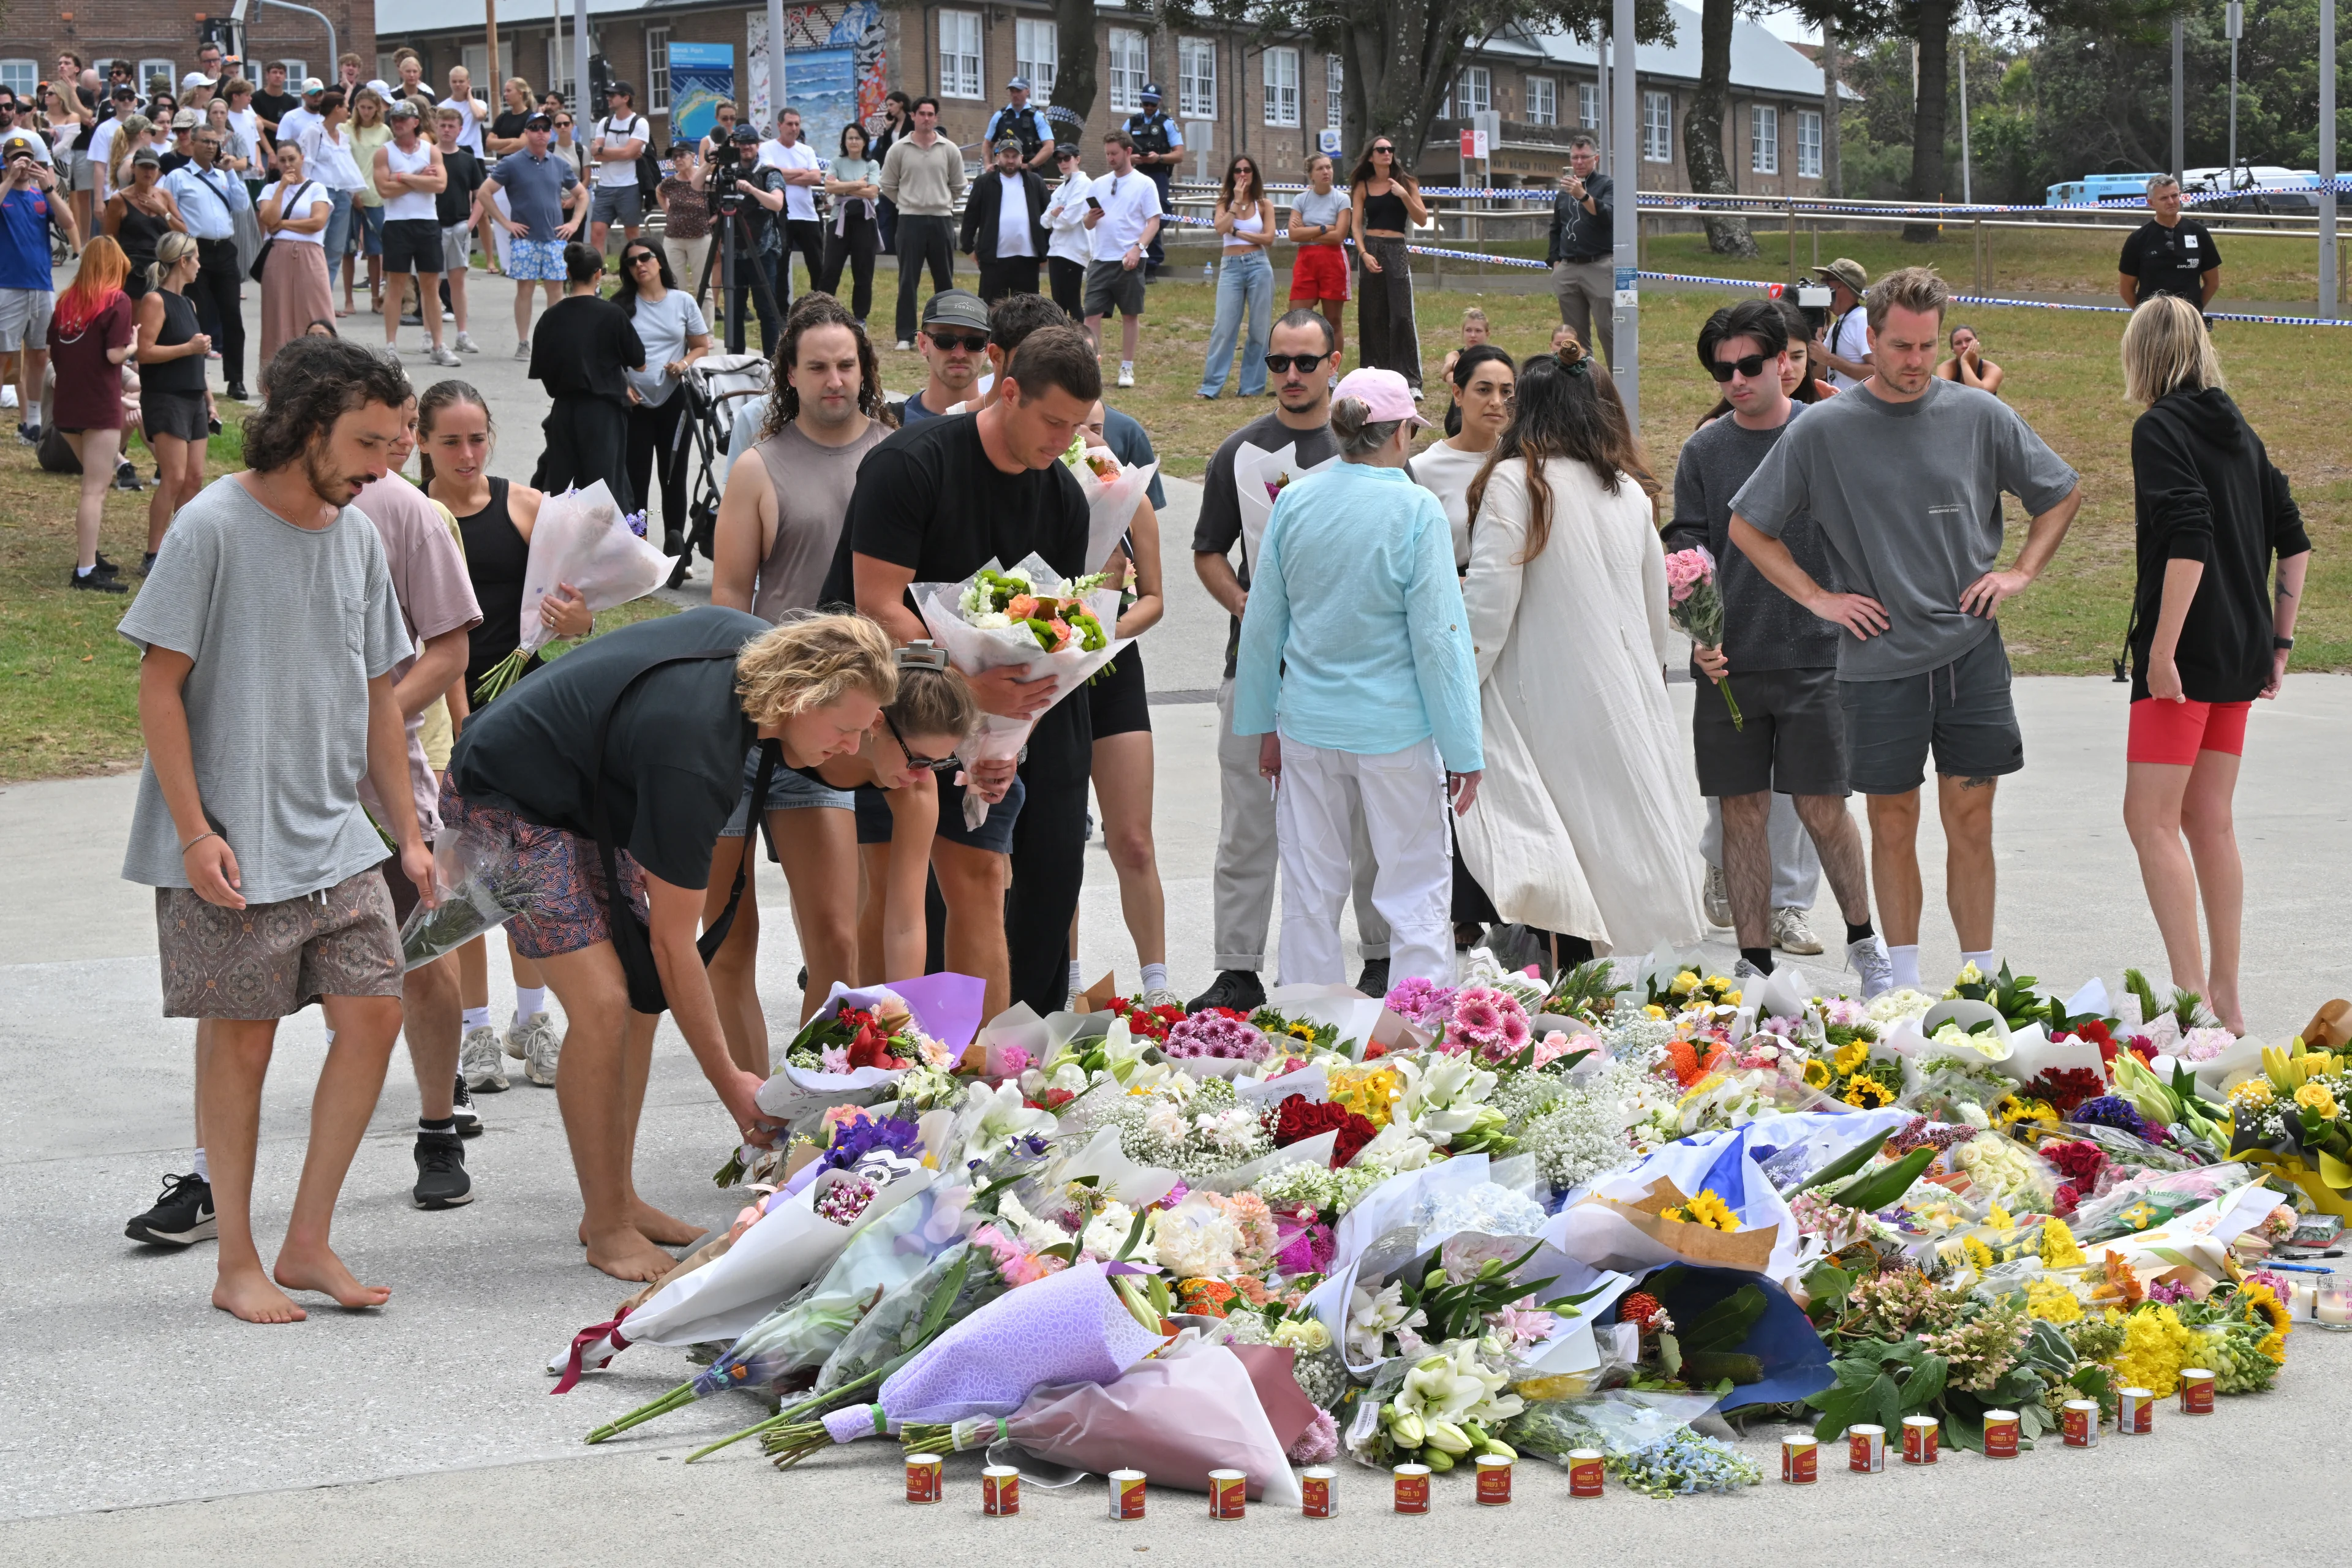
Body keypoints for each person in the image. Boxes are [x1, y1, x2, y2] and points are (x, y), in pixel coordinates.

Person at [119, 336, 429, 1322]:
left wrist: (407, 832)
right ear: (305, 427)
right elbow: (158, 688)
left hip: (336, 833)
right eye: (367, 443)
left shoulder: (359, 536)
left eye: (390, 443)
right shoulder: (210, 526)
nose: (382, 464)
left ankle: (306, 1242)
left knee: (374, 1014)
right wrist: (193, 831)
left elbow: (380, 698)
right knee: (243, 1046)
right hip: (232, 839)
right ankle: (236, 1264)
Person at [443, 609, 894, 1280]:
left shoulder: (762, 658)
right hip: (503, 794)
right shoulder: (697, 751)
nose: (852, 746)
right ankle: (606, 1228)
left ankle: (617, 1199)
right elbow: (673, 946)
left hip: (585, 793)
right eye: (844, 729)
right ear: (799, 699)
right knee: (602, 1003)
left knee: (640, 1001)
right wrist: (731, 1083)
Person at [1729, 266, 2084, 988]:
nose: (1915, 360)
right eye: (1900, 346)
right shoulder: (1823, 429)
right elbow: (1748, 527)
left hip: (1970, 653)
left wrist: (2019, 573)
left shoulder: (1980, 415)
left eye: (1927, 346)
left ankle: (1981, 985)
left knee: (1972, 820)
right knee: (1892, 822)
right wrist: (1820, 599)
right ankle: (1904, 987)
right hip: (1877, 661)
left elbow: (2061, 492)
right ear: (1871, 340)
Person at [829, 324, 1102, 1019]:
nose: (1064, 440)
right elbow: (877, 608)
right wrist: (964, 689)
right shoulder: (910, 464)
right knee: (889, 885)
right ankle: (878, 1055)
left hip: (981, 715)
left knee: (982, 877)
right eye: (1052, 421)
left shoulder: (1065, 499)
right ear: (1008, 392)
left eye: (1076, 426)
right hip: (878, 708)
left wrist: (1006, 741)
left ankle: (986, 1060)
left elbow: (1050, 643)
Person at [1665, 301, 1890, 991]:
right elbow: (1686, 550)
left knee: (1824, 808)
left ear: (1782, 362)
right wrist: (1697, 634)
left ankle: (1866, 944)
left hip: (1818, 657)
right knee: (1742, 813)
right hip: (1730, 665)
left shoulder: (1829, 433)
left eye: (1750, 364)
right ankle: (1754, 964)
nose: (1736, 379)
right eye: (1722, 369)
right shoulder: (1704, 450)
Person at [1234, 367, 1479, 987]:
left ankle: (1310, 1019)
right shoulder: (1416, 508)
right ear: (1399, 434)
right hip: (1396, 731)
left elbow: (1262, 626)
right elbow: (1440, 640)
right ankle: (1417, 1023)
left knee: (1310, 889)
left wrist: (1263, 725)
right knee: (1415, 885)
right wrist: (1464, 749)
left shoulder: (1295, 501)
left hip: (1307, 726)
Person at [704, 298, 898, 1041]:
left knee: (838, 939)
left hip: (839, 732)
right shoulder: (759, 468)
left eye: (846, 365)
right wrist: (753, 706)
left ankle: (823, 1080)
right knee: (728, 936)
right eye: (817, 366)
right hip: (754, 726)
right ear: (789, 373)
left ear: (865, 369)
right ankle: (753, 1096)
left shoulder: (896, 455)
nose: (834, 380)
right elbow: (728, 601)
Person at [1191, 309, 1395, 1010]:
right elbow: (1208, 551)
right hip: (1256, 672)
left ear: (1334, 362)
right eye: (1279, 362)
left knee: (1366, 824)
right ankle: (1238, 967)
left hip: (1354, 672)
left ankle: (1380, 955)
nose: (1292, 375)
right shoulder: (1239, 452)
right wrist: (1246, 606)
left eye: (1306, 361)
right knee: (1247, 827)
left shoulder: (1371, 450)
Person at [2118, 295, 2307, 1034]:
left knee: (2149, 820)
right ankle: (2226, 997)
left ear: (2142, 354)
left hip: (2189, 656)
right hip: (2242, 651)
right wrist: (2280, 645)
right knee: (2209, 819)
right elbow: (2294, 541)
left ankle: (2192, 1000)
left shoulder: (2158, 429)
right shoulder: (2241, 433)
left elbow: (2189, 534)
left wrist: (2162, 649)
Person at [415, 380, 589, 1089]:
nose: (467, 453)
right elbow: (434, 632)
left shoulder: (525, 506)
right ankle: (475, 1030)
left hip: (527, 709)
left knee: (529, 871)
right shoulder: (413, 515)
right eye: (451, 441)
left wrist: (576, 620)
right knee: (461, 875)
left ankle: (533, 1018)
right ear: (422, 441)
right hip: (447, 713)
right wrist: (458, 719)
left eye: (478, 438)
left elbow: (580, 608)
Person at [349, 389, 485, 1205]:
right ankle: (209, 1171)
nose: (389, 446)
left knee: (423, 956)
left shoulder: (407, 513)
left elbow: (450, 649)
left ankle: (439, 1126)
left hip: (392, 778)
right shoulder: (241, 510)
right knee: (254, 982)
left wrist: (368, 728)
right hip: (279, 790)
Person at [1076, 397, 1178, 1006]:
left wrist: (1106, 631)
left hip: (1113, 667)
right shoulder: (1037, 494)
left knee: (1134, 840)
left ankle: (1157, 987)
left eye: (1097, 428)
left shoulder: (1130, 499)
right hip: (1050, 672)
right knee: (1059, 839)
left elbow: (1155, 599)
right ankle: (1065, 984)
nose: (1088, 440)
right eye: (1075, 428)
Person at [529, 241, 646, 509]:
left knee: (562, 487)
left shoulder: (550, 318)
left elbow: (543, 370)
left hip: (563, 411)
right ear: (598, 274)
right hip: (604, 412)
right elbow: (640, 364)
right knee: (606, 490)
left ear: (568, 273)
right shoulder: (612, 315)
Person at [48, 238, 136, 592]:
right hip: (99, 406)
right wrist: (133, 344)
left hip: (67, 406)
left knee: (92, 484)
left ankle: (90, 554)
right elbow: (115, 355)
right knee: (94, 490)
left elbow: (54, 352)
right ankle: (85, 571)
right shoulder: (117, 301)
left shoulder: (66, 301)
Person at [616, 239, 712, 554]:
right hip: (635, 404)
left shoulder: (683, 301)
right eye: (631, 262)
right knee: (636, 479)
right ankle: (637, 549)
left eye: (645, 257)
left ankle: (676, 551)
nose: (639, 265)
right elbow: (606, 354)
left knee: (673, 476)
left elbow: (701, 346)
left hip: (676, 401)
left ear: (659, 261)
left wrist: (682, 364)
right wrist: (622, 385)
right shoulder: (620, 306)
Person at [133, 233, 214, 562]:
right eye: (196, 258)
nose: (199, 265)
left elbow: (194, 358)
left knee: (194, 478)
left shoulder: (188, 303)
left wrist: (209, 399)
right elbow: (144, 352)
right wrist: (189, 347)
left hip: (193, 397)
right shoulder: (155, 301)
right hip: (166, 397)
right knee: (174, 477)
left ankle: (179, 550)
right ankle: (154, 552)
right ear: (183, 261)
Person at [480, 110, 584, 357]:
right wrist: (506, 223)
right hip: (525, 239)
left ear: (550, 133)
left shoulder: (559, 164)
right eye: (535, 128)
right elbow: (485, 193)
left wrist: (574, 223)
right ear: (526, 132)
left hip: (554, 239)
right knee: (525, 289)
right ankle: (523, 342)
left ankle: (553, 340)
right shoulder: (511, 163)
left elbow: (582, 195)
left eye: (545, 128)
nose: (540, 133)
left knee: (556, 291)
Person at [160, 120, 251, 401]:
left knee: (232, 316)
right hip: (194, 251)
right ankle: (195, 379)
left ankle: (235, 380)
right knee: (196, 315)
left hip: (224, 249)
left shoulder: (224, 175)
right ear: (193, 144)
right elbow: (168, 213)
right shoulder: (179, 176)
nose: (211, 147)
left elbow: (242, 205)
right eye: (206, 141)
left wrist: (231, 172)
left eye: (215, 142)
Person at [1408, 343, 1513, 571]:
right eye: (1484, 390)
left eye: (1506, 392)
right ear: (1458, 394)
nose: (1497, 402)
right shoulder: (1422, 469)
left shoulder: (1524, 459)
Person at [371, 101, 457, 364]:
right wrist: (420, 178)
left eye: (403, 119)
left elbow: (439, 185)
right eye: (394, 119)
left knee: (430, 285)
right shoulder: (384, 153)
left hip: (427, 222)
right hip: (397, 223)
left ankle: (438, 344)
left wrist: (402, 177)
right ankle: (391, 345)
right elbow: (384, 190)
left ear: (415, 122)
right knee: (396, 285)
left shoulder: (431, 151)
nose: (398, 123)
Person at [1, 143, 74, 445]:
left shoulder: (40, 196)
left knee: (39, 354)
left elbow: (69, 223)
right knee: (4, 356)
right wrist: (9, 179)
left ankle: (32, 422)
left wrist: (48, 188)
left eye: (28, 159)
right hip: (7, 286)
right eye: (16, 159)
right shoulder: (5, 192)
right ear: (5, 162)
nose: (23, 164)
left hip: (41, 286)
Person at [880, 96, 965, 350]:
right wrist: (908, 203)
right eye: (922, 114)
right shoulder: (899, 149)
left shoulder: (949, 149)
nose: (926, 119)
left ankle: (946, 331)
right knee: (908, 280)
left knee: (944, 280)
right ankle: (905, 336)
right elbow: (888, 185)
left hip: (941, 220)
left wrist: (939, 202)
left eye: (930, 114)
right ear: (913, 116)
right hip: (910, 220)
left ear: (936, 118)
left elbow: (958, 185)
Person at [1082, 131, 1159, 390]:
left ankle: (1127, 367)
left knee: (1129, 314)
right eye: (1107, 154)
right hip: (1101, 258)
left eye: (1114, 153)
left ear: (1128, 152)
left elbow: (1154, 222)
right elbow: (1088, 224)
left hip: (1130, 258)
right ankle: (1091, 367)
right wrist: (1091, 217)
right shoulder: (1099, 184)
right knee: (1091, 315)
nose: (1110, 158)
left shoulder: (1145, 184)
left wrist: (1138, 248)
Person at [1349, 136, 1427, 394]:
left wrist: (1404, 196)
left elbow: (1422, 219)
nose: (1387, 153)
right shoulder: (1363, 185)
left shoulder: (1407, 183)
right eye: (1381, 149)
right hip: (1371, 248)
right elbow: (1356, 225)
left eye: (1390, 149)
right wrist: (1363, 253)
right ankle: (1375, 378)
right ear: (1371, 156)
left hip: (1396, 248)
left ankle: (1410, 381)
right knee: (1373, 315)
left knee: (1402, 315)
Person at [1197, 154, 1275, 401]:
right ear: (1232, 175)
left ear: (1254, 174)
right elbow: (1220, 228)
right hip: (1230, 267)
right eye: (1238, 170)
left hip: (1258, 265)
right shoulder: (1224, 202)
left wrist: (1238, 231)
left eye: (1247, 170)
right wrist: (1236, 204)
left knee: (1259, 329)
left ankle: (1251, 386)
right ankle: (1210, 387)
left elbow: (1269, 238)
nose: (1243, 175)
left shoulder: (1264, 204)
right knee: (1223, 327)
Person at [255, 140, 335, 369]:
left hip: (310, 253)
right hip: (278, 254)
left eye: (292, 159)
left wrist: (283, 224)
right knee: (277, 316)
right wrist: (281, 188)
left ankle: (327, 369)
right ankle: (276, 374)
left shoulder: (316, 188)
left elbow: (317, 222)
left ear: (302, 158)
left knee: (317, 311)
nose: (288, 164)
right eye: (282, 160)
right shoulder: (270, 190)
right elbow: (268, 219)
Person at [296, 89, 367, 314]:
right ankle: (308, 301)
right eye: (346, 107)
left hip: (343, 194)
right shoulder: (314, 132)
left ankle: (324, 304)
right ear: (337, 108)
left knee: (335, 249)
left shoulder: (343, 136)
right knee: (315, 246)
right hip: (321, 194)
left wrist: (354, 193)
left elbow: (346, 168)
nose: (349, 111)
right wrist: (304, 194)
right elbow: (306, 164)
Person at [1547, 135, 1614, 371]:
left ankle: (1618, 380)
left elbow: (1608, 216)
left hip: (1599, 265)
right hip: (1568, 267)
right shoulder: (1563, 192)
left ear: (1596, 158)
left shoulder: (1606, 185)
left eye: (1584, 157)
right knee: (1575, 336)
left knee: (1608, 328)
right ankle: (1583, 379)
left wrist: (1583, 196)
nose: (1579, 162)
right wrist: (1555, 261)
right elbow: (1556, 228)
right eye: (1574, 157)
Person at [2120, 174, 2221, 316]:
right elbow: (2126, 290)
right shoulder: (2138, 239)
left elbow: (2213, 283)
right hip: (2152, 320)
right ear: (2151, 203)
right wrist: (2144, 315)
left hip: (2189, 319)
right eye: (2164, 198)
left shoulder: (2199, 233)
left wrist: (2194, 311)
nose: (2171, 202)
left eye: (2174, 196)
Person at [758, 108, 826, 308]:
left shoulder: (807, 150)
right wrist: (801, 172)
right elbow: (768, 174)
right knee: (781, 265)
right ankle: (781, 310)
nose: (794, 128)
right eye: (790, 124)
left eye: (797, 124)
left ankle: (821, 306)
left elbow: (816, 177)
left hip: (807, 215)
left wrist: (782, 176)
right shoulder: (767, 148)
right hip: (781, 215)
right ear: (779, 125)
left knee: (817, 264)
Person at [1286, 153, 1351, 361]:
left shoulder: (1342, 199)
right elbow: (1294, 234)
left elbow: (1339, 236)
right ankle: (1297, 365)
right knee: (1296, 319)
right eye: (1320, 168)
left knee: (1333, 320)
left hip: (1333, 261)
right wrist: (1324, 228)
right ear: (1311, 175)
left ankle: (1332, 372)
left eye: (1328, 167)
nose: (1326, 172)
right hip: (1306, 261)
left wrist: (1308, 231)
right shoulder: (1301, 200)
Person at [432, 106, 484, 353]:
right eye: (442, 125)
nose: (446, 130)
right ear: (436, 127)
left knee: (457, 282)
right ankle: (430, 335)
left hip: (459, 225)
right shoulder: (428, 156)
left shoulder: (468, 160)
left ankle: (462, 334)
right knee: (431, 283)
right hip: (433, 226)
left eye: (451, 126)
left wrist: (471, 223)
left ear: (460, 130)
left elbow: (480, 195)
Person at [818, 122, 881, 323]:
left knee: (863, 272)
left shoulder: (872, 165)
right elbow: (829, 187)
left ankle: (860, 319)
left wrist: (842, 187)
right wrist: (858, 184)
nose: (854, 141)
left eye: (858, 138)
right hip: (839, 220)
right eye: (850, 138)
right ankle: (822, 314)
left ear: (865, 142)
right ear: (844, 142)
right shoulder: (836, 162)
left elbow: (872, 192)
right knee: (830, 269)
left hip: (865, 221)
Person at [897, 287, 990, 422]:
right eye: (945, 341)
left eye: (974, 343)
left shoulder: (1005, 425)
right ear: (923, 344)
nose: (959, 354)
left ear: (987, 349)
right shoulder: (892, 425)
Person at [105, 146, 184, 301]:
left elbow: (183, 231)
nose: (148, 172)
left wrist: (162, 211)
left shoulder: (164, 196)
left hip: (163, 269)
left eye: (152, 167)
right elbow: (110, 240)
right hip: (133, 270)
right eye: (143, 167)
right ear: (133, 168)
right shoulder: (119, 200)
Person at [1120, 83, 1180, 279]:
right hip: (1135, 173)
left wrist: (1159, 158)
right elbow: (1118, 150)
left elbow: (1179, 154)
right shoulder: (1132, 123)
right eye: (1145, 103)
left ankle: (1152, 264)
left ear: (1159, 102)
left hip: (1158, 175)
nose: (1148, 107)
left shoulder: (1167, 124)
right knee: (1133, 214)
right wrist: (1132, 158)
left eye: (1152, 104)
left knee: (1155, 215)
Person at [587, 80, 649, 253]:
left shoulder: (639, 123)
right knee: (597, 233)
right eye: (608, 94)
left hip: (630, 186)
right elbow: (596, 155)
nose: (608, 98)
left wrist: (603, 150)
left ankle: (640, 266)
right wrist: (624, 154)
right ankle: (598, 270)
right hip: (605, 186)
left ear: (626, 98)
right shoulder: (605, 122)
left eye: (613, 95)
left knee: (632, 234)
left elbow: (627, 152)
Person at [346, 87, 391, 314]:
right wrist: (352, 192)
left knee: (375, 251)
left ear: (377, 109)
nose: (366, 111)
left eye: (370, 108)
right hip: (350, 196)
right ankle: (348, 301)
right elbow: (343, 162)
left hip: (376, 196)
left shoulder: (384, 131)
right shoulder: (346, 129)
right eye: (362, 107)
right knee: (348, 250)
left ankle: (376, 298)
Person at [657, 140, 713, 306]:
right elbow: (659, 191)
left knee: (704, 287)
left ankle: (706, 324)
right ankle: (680, 323)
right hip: (674, 239)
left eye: (682, 155)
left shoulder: (705, 180)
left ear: (693, 156)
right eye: (674, 157)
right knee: (675, 288)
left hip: (700, 237)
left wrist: (713, 219)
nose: (678, 160)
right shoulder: (670, 183)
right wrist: (667, 211)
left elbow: (719, 200)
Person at [1042, 143, 1092, 320]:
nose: (1063, 163)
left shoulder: (1084, 184)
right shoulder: (1061, 188)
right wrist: (1054, 216)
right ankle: (1061, 337)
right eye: (1059, 160)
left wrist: (1054, 217)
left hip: (1074, 251)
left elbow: (1068, 220)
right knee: (1058, 305)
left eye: (1067, 158)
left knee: (1073, 304)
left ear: (1077, 159)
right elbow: (1044, 221)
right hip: (1056, 250)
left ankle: (1082, 337)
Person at [1808, 257, 1871, 390]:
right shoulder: (1839, 324)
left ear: (1840, 285)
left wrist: (1829, 359)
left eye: (1826, 280)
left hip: (1857, 403)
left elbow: (1877, 372)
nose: (1821, 284)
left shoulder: (1862, 320)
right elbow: (1818, 373)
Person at [986, 76, 1055, 171]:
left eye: (1018, 91)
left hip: (1031, 172)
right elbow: (987, 144)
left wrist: (1029, 165)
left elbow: (1049, 147)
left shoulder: (1037, 117)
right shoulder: (999, 116)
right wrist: (988, 165)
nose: (1015, 95)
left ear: (1027, 92)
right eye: (1012, 91)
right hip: (1005, 171)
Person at [437, 66, 491, 159]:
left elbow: (479, 116)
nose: (458, 85)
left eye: (461, 81)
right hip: (451, 154)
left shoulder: (479, 104)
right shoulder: (442, 107)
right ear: (450, 82)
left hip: (475, 155)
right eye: (454, 82)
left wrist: (470, 97)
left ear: (468, 83)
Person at [1937, 322, 2005, 394]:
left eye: (1968, 340)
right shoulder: (1946, 367)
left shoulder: (1993, 370)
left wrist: (1964, 361)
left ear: (1977, 342)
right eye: (1958, 343)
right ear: (1952, 349)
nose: (1964, 346)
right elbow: (1943, 394)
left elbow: (1980, 394)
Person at [249, 63, 296, 149]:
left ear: (285, 77)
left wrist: (264, 122)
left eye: (281, 73)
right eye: (274, 72)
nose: (278, 76)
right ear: (267, 75)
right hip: (262, 149)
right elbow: (255, 123)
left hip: (285, 148)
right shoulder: (255, 98)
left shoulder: (292, 101)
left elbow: (293, 128)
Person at [487, 77, 537, 156]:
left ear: (520, 94)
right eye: (505, 91)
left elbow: (521, 144)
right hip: (502, 162)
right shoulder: (502, 118)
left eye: (509, 91)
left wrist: (499, 150)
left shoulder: (531, 118)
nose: (505, 94)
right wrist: (513, 141)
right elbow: (489, 143)